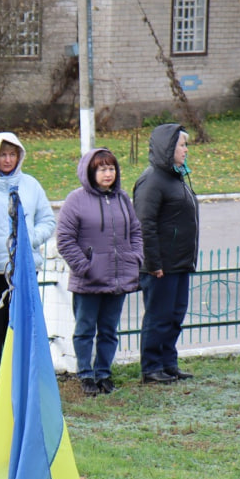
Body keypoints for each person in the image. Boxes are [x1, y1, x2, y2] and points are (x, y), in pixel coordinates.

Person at [0, 132, 56, 397]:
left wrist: (30, 239)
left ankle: (25, 380)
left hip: (25, 268)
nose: (7, 160)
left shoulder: (31, 185)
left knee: (24, 325)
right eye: (2, 154)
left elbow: (47, 220)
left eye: (12, 154)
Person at [57, 148, 143, 396]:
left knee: (109, 329)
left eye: (111, 168)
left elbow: (135, 232)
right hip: (89, 281)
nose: (108, 173)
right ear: (90, 172)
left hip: (118, 279)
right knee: (85, 329)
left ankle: (103, 373)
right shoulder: (76, 200)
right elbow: (64, 239)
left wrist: (135, 258)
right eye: (102, 169)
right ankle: (85, 374)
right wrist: (85, 267)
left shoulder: (122, 199)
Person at [134, 123, 199, 384]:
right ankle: (151, 367)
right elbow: (144, 224)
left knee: (175, 316)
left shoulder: (177, 177)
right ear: (168, 147)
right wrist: (153, 263)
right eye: (182, 144)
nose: (186, 149)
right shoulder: (152, 180)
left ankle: (168, 363)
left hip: (180, 262)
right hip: (160, 265)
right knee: (158, 316)